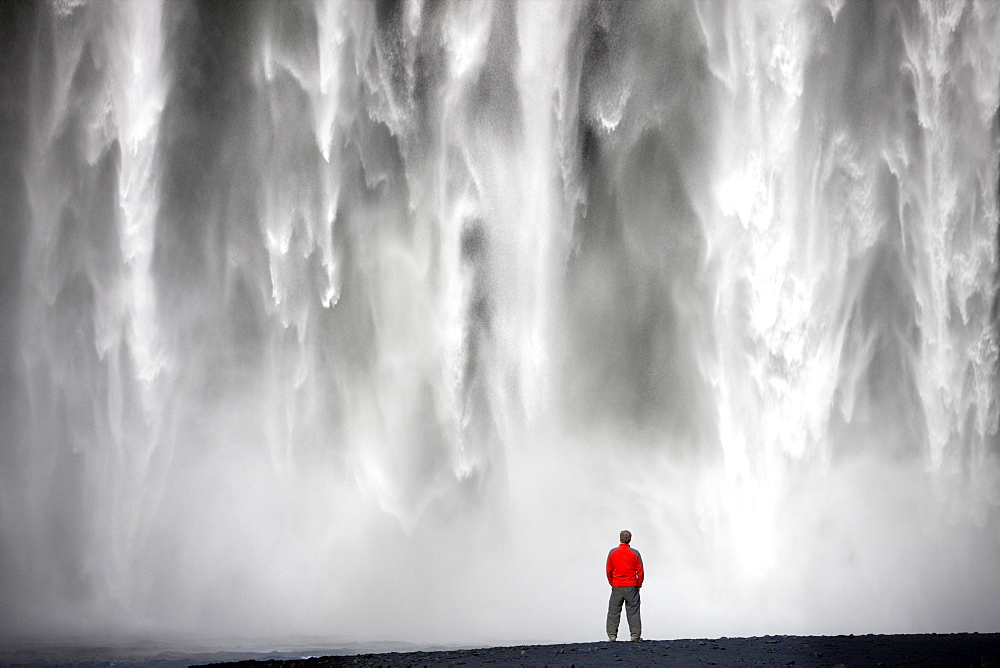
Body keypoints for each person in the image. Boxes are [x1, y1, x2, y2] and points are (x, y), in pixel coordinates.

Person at [606, 529, 643, 641]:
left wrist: (612, 582)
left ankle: (612, 636)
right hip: (631, 586)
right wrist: (638, 584)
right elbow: (640, 571)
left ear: (620, 539)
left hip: (617, 586)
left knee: (614, 611)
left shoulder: (613, 552)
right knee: (633, 612)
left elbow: (608, 570)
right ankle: (635, 636)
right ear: (630, 539)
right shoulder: (635, 553)